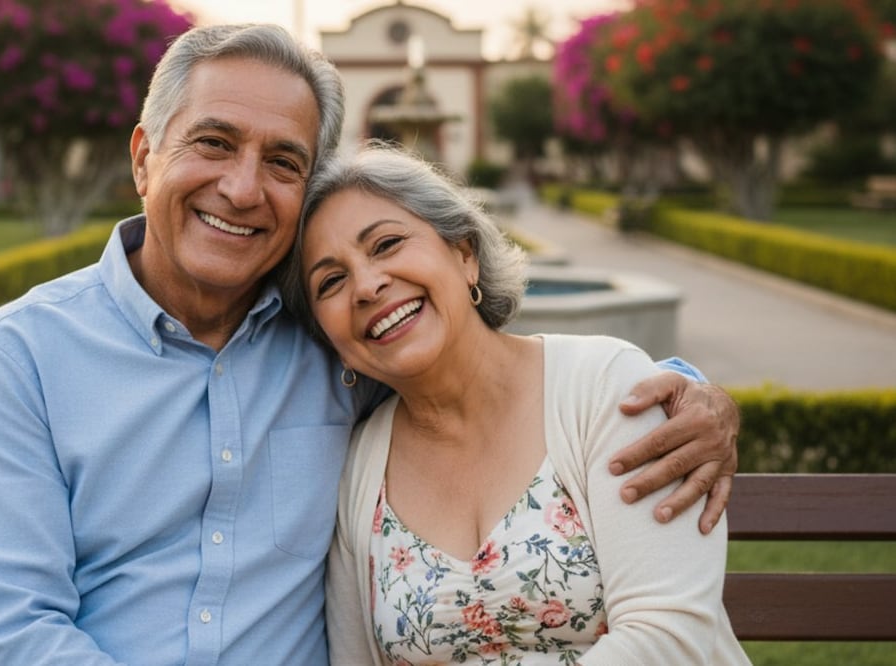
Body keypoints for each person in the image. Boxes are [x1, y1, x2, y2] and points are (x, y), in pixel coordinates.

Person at [0, 24, 739, 665]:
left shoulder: (336, 347)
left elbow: (492, 375)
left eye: (282, 161)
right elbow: (16, 633)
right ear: (145, 158)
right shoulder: (18, 360)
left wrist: (680, 390)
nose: (244, 188)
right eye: (213, 143)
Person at [281, 143, 750, 664]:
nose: (367, 286)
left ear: (464, 254)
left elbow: (669, 638)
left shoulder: (607, 391)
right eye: (331, 281)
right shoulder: (361, 469)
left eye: (387, 244)